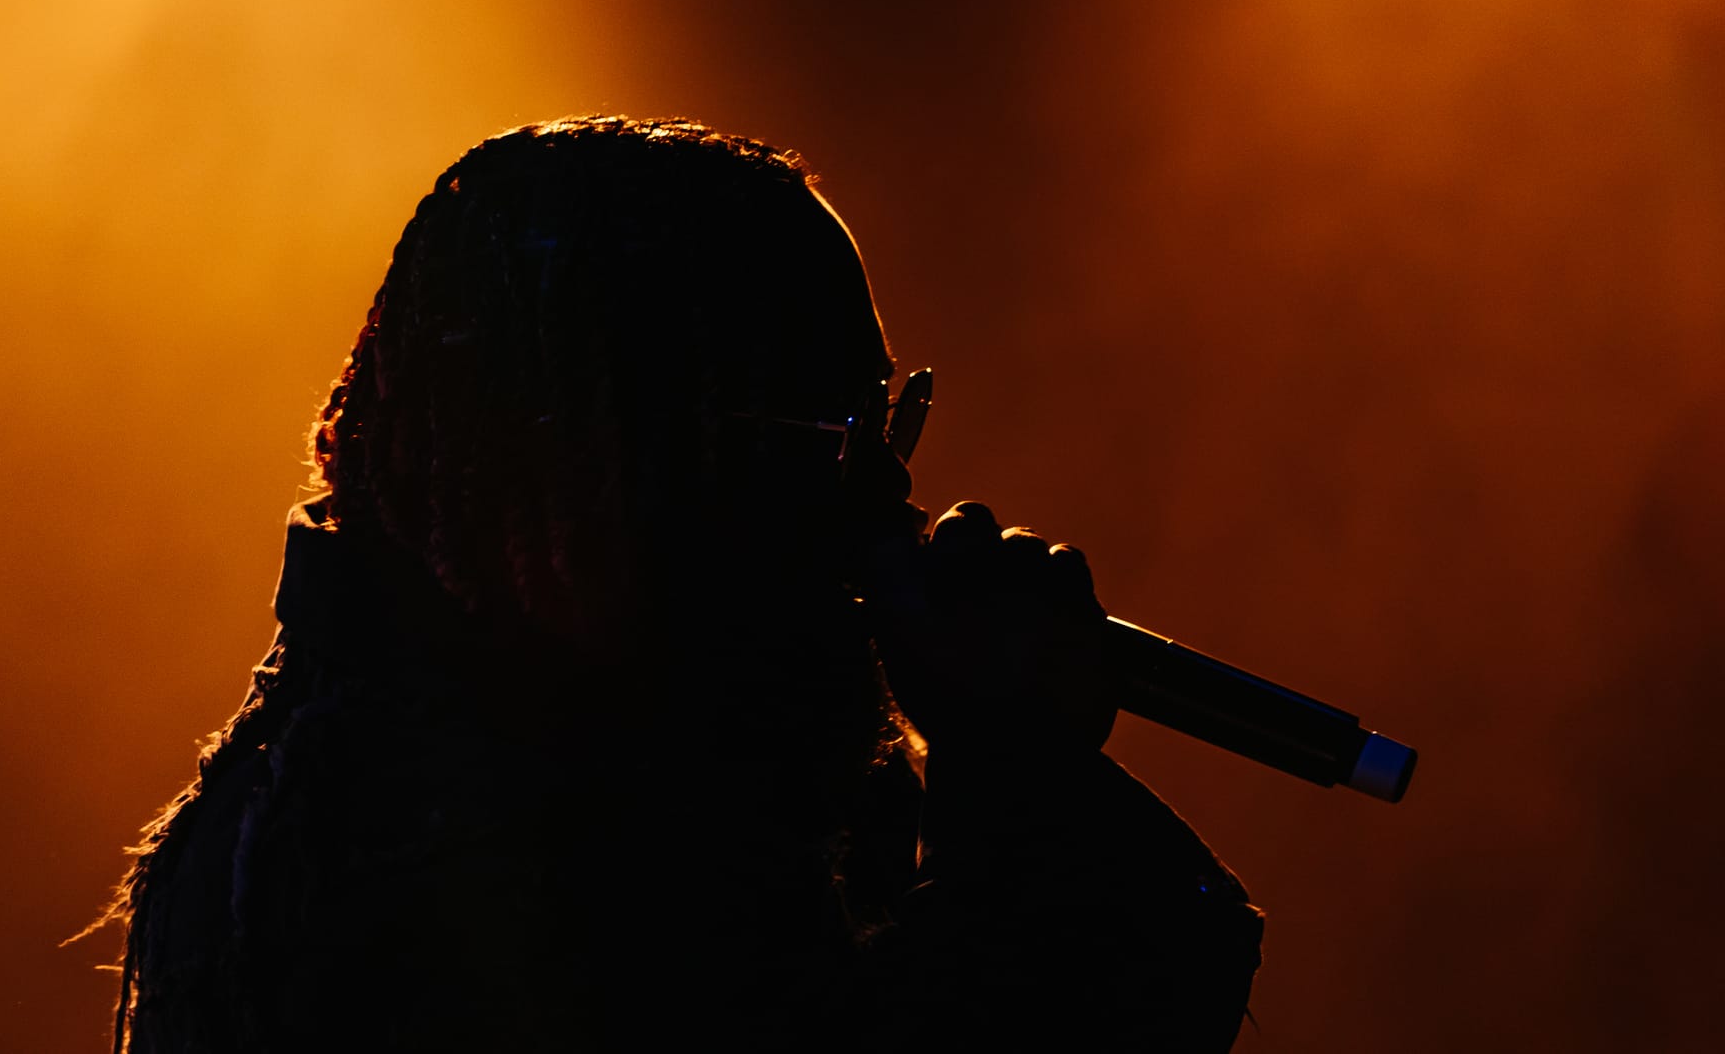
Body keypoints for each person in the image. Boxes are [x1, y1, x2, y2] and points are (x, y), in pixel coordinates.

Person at [103, 116, 1263, 1052]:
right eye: (832, 437)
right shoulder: (427, 870)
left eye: (891, 421)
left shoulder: (667, 779)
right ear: (609, 456)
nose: (889, 504)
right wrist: (1022, 781)